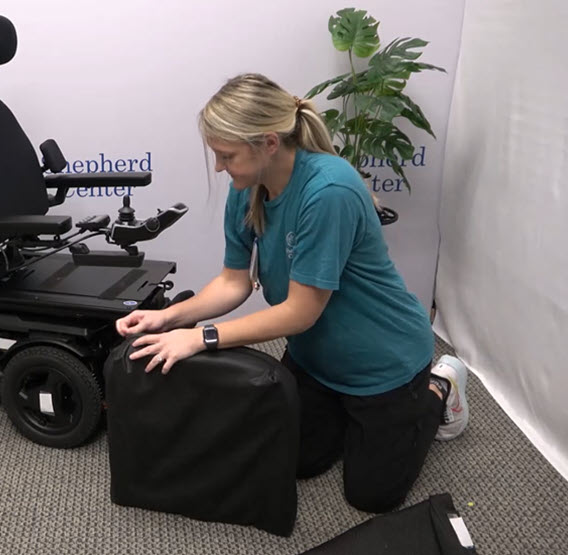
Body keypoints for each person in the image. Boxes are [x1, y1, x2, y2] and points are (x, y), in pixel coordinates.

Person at [114, 73, 469, 514]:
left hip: (383, 361)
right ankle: (343, 413)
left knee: (372, 497)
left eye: (227, 156)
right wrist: (169, 318)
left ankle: (439, 387)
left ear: (268, 143)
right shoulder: (247, 189)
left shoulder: (328, 191)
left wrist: (201, 337)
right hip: (316, 360)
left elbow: (301, 312)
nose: (221, 168)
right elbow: (234, 281)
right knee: (296, 463)